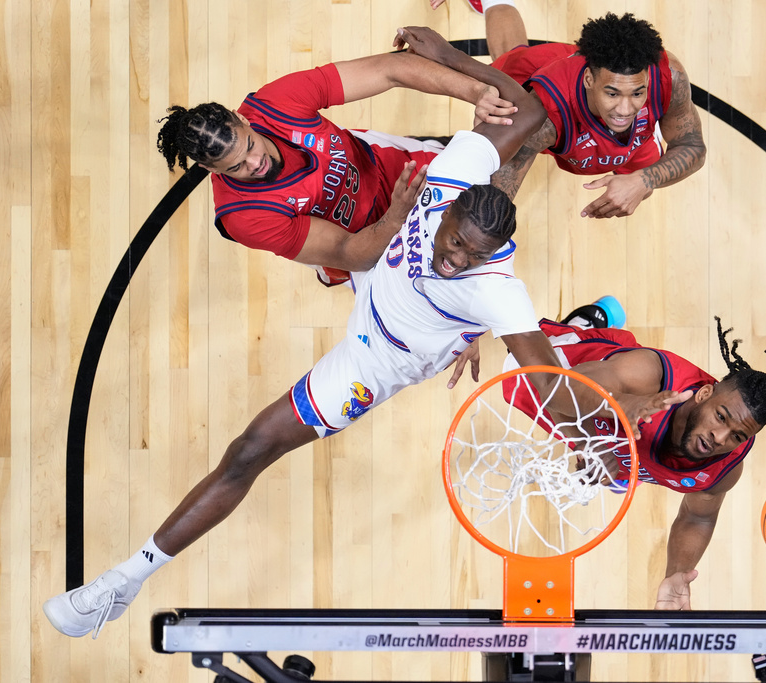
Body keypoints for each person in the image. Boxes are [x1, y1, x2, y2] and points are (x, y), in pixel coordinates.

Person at [43, 26, 670, 641]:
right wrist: (454, 80)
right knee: (247, 450)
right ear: (446, 201)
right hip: (372, 243)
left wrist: (613, 430)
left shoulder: (494, 289)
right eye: (452, 245)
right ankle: (126, 579)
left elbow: (547, 386)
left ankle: (578, 328)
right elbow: (523, 112)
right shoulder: (444, 171)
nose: (452, 260)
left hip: (386, 360)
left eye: (468, 259)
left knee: (269, 430)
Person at [501, 310, 766, 610]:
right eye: (721, 417)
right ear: (703, 395)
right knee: (514, 372)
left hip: (623, 441)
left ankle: (625, 465)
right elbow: (557, 393)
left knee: (619, 466)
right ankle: (587, 321)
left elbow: (698, 518)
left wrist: (677, 574)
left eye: (737, 437)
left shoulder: (721, 470)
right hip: (576, 368)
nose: (720, 438)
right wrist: (589, 445)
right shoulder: (649, 375)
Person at [156, 43, 519, 286]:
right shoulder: (244, 217)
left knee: (481, 189)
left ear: (243, 119)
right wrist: (395, 217)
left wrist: (477, 93)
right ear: (211, 171)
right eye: (236, 167)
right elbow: (349, 253)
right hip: (361, 243)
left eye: (250, 146)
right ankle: (327, 273)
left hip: (386, 165)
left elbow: (390, 69)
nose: (256, 162)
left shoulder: (276, 103)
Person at [430, 1, 707, 219]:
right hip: (535, 82)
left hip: (610, 125)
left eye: (638, 93)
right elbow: (494, 196)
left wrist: (644, 180)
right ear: (589, 80)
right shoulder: (540, 113)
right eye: (612, 93)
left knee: (644, 187)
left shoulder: (668, 76)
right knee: (509, 55)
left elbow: (692, 146)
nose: (626, 108)